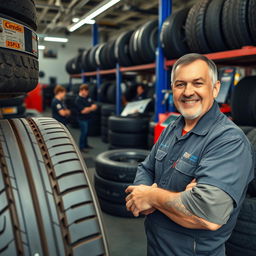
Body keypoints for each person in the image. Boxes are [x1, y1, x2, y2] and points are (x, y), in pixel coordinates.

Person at [125, 53, 254, 255]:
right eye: (180, 84)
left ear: (215, 88)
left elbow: (208, 214)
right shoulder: (172, 127)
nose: (188, 92)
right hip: (155, 248)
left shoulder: (229, 141)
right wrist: (174, 198)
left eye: (198, 83)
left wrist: (151, 195)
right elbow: (147, 167)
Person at [75, 84, 97, 152]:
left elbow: (95, 105)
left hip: (88, 118)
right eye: (85, 91)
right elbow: (83, 111)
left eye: (87, 91)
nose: (87, 93)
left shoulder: (87, 97)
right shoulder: (78, 99)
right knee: (83, 133)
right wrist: (91, 108)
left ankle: (86, 144)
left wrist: (89, 108)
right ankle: (81, 147)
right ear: (82, 91)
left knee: (86, 132)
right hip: (82, 119)